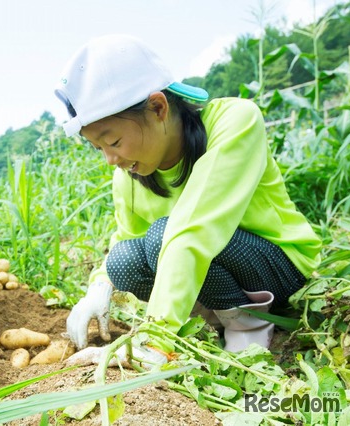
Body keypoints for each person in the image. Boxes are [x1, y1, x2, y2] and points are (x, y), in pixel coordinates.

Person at [54, 34, 322, 361]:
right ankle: (215, 322)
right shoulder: (127, 174)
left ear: (158, 107)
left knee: (162, 236)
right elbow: (125, 239)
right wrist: (98, 288)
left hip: (278, 270)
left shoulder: (235, 122)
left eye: (114, 141)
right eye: (99, 148)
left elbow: (194, 230)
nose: (110, 159)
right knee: (123, 260)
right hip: (218, 269)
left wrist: (156, 340)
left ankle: (250, 327)